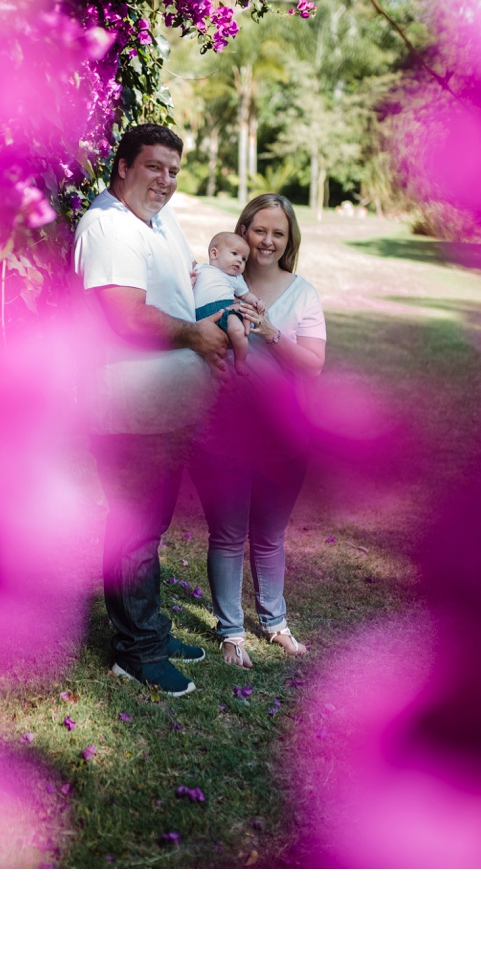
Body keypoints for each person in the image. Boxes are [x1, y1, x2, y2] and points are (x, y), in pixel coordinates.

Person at [73, 124, 231, 697]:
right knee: (134, 528)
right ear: (122, 166)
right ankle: (134, 652)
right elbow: (128, 317)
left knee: (150, 526)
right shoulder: (108, 226)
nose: (164, 180)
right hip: (126, 408)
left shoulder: (157, 221)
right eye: (153, 167)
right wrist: (195, 337)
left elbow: (178, 285)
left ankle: (153, 632)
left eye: (172, 170)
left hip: (164, 408)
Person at [189, 193, 326, 669]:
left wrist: (268, 329)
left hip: (284, 437)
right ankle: (231, 633)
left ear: (289, 241)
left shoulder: (303, 293)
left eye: (278, 233)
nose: (267, 240)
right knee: (227, 535)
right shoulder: (213, 278)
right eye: (259, 230)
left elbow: (312, 367)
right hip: (221, 431)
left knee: (269, 536)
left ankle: (275, 623)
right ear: (243, 230)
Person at [192, 231, 265, 377]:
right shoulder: (200, 269)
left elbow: (245, 294)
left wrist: (256, 302)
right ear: (214, 254)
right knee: (205, 348)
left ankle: (240, 361)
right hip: (200, 315)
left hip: (226, 310)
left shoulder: (236, 278)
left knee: (238, 330)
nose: (239, 261)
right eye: (234, 254)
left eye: (244, 259)